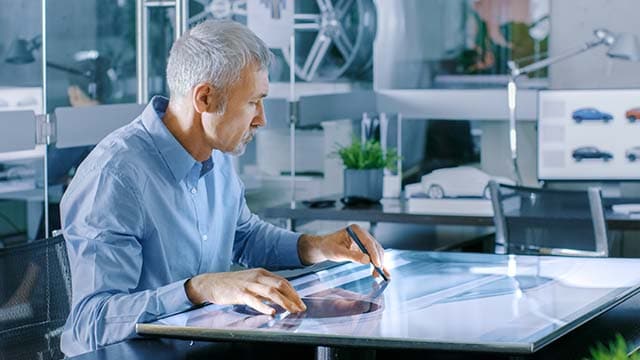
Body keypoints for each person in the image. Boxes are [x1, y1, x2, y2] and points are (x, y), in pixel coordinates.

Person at [59, 19, 390, 356]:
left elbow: (245, 236)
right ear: (205, 98)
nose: (261, 119)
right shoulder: (114, 176)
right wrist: (199, 289)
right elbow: (91, 322)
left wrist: (316, 246)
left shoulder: (216, 158)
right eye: (252, 103)